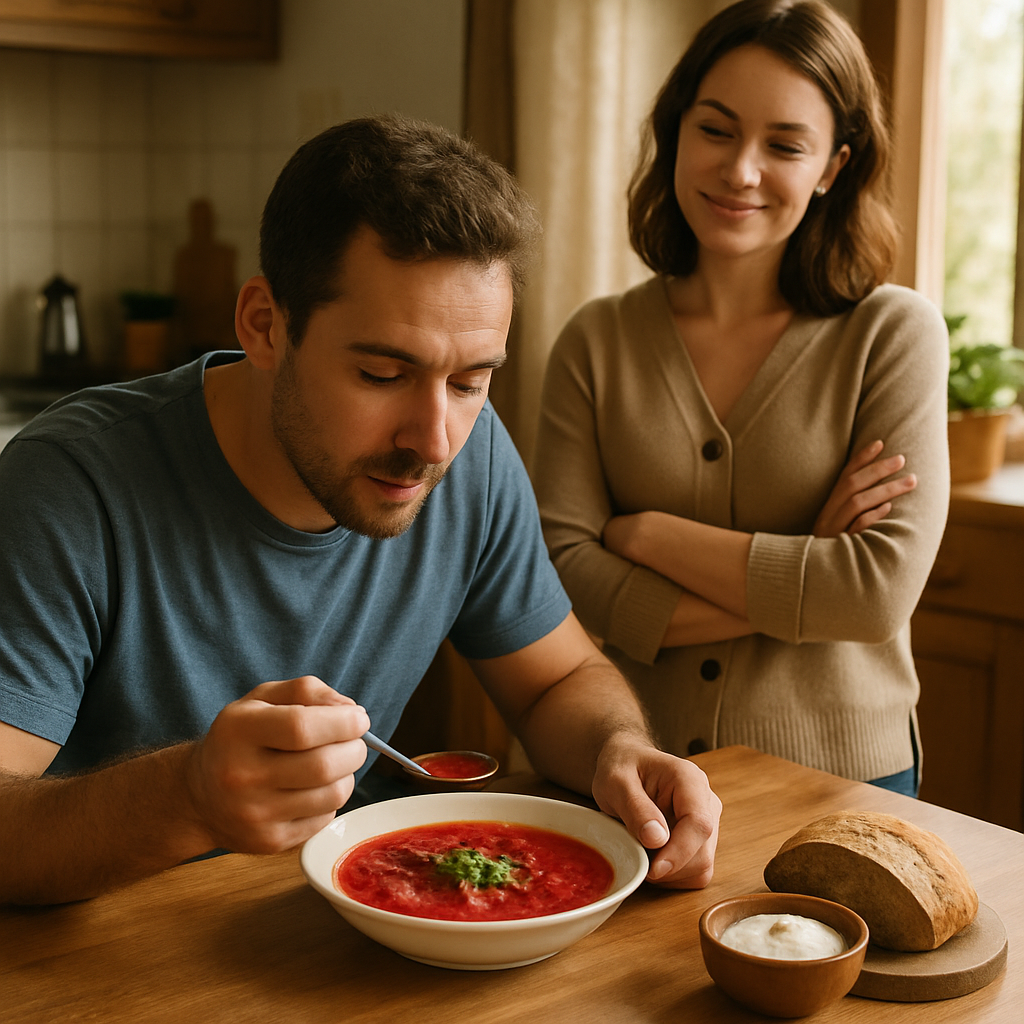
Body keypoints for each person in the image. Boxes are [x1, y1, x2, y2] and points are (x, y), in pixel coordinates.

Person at [0, 115, 720, 905]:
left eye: (472, 381)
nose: (434, 437)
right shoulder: (70, 484)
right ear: (265, 325)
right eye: (382, 373)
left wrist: (617, 751)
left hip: (344, 936)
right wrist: (188, 796)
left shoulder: (470, 458)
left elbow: (556, 683)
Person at [533, 0, 949, 795]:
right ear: (676, 129)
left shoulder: (893, 334)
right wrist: (806, 570)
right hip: (640, 772)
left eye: (785, 145)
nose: (741, 170)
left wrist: (646, 533)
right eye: (716, 130)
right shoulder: (597, 341)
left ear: (833, 167)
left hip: (839, 781)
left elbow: (870, 596)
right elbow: (562, 575)